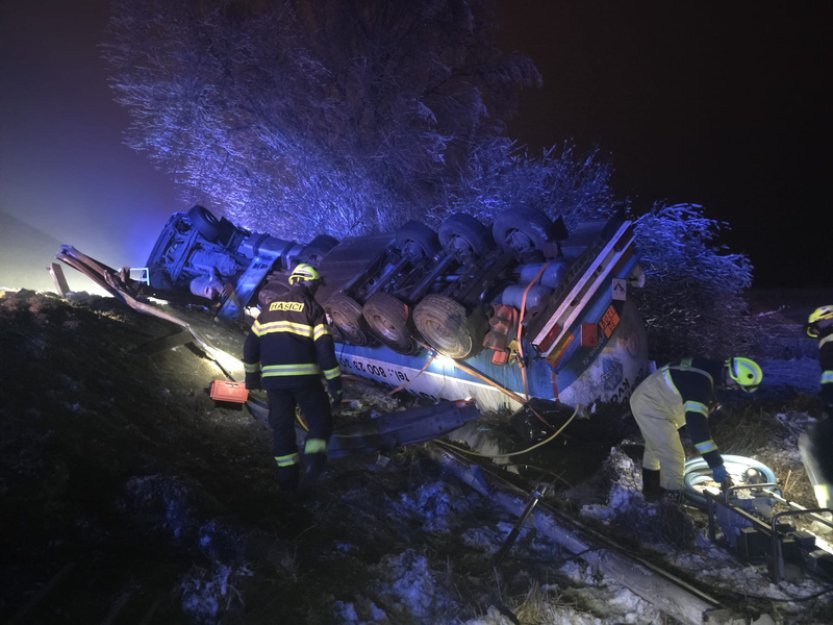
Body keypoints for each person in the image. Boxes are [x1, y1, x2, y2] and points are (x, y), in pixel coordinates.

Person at [243, 262, 343, 498]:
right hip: (304, 379)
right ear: (308, 282)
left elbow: (250, 346)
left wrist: (252, 378)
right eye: (316, 284)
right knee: (320, 422)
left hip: (274, 383)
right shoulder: (313, 308)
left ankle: (287, 485)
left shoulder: (268, 310)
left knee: (282, 428)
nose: (317, 288)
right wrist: (335, 387)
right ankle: (314, 462)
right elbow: (325, 352)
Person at [629, 356, 763, 502]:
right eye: (736, 384)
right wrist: (715, 463)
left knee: (656, 448)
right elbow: (697, 431)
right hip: (651, 406)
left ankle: (650, 493)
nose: (733, 388)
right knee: (673, 457)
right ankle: (670, 505)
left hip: (651, 401)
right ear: (731, 374)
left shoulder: (708, 368)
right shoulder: (700, 384)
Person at [798, 305, 833, 522]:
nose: (818, 330)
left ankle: (828, 512)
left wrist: (829, 402)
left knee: (813, 445)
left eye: (819, 325)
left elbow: (830, 375)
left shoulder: (829, 342)